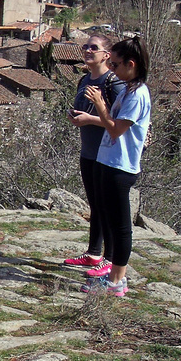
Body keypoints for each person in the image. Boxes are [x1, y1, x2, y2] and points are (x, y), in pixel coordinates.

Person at [71, 37, 152, 298]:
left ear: (131, 64)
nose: (113, 69)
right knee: (107, 215)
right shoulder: (129, 89)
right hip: (108, 160)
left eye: (116, 64)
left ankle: (117, 280)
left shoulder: (138, 94)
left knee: (120, 225)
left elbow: (116, 128)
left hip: (121, 165)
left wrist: (100, 105)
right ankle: (112, 274)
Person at [64, 35, 122, 276]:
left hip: (107, 153)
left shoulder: (114, 83)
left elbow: (120, 122)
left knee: (106, 206)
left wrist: (89, 120)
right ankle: (93, 253)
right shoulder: (84, 79)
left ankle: (109, 258)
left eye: (94, 48)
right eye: (86, 46)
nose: (88, 50)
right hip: (88, 151)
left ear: (106, 55)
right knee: (95, 205)